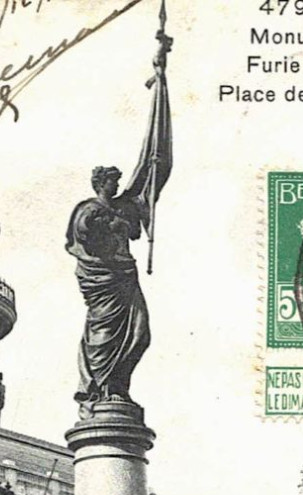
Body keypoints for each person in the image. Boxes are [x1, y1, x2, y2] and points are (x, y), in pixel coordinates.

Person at [65, 37, 172, 415]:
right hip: (103, 286)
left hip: (124, 281)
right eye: (111, 180)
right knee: (103, 338)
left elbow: (156, 162)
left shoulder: (128, 206)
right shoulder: (87, 211)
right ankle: (102, 391)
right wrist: (105, 228)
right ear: (100, 184)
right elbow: (81, 245)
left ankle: (117, 390)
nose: (117, 183)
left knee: (140, 335)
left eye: (118, 179)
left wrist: (162, 82)